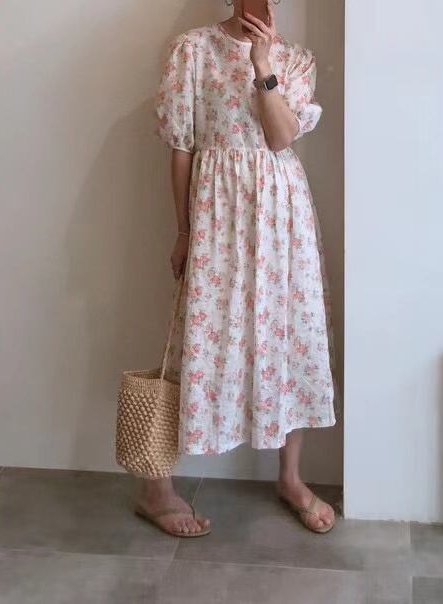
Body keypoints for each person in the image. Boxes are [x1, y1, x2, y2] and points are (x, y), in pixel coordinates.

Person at [135, 0, 339, 537]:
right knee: (198, 336)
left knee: (289, 334)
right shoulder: (192, 50)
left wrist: (262, 63)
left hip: (281, 216)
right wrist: (182, 231)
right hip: (217, 214)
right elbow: (182, 148)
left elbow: (281, 138)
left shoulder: (295, 60)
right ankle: (156, 487)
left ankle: (289, 478)